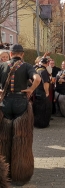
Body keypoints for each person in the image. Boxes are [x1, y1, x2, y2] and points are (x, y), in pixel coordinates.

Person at [0, 44, 41, 186]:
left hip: (5, 105)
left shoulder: (2, 66)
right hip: (21, 104)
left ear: (11, 54)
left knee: (3, 139)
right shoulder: (27, 66)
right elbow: (38, 79)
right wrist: (30, 89)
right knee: (21, 140)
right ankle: (20, 175)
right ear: (22, 54)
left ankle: (5, 173)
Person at [32, 58, 52, 128]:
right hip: (42, 92)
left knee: (37, 109)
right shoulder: (43, 71)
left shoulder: (35, 69)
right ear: (47, 63)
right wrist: (47, 92)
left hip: (36, 91)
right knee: (44, 109)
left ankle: (36, 123)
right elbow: (45, 83)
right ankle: (42, 124)